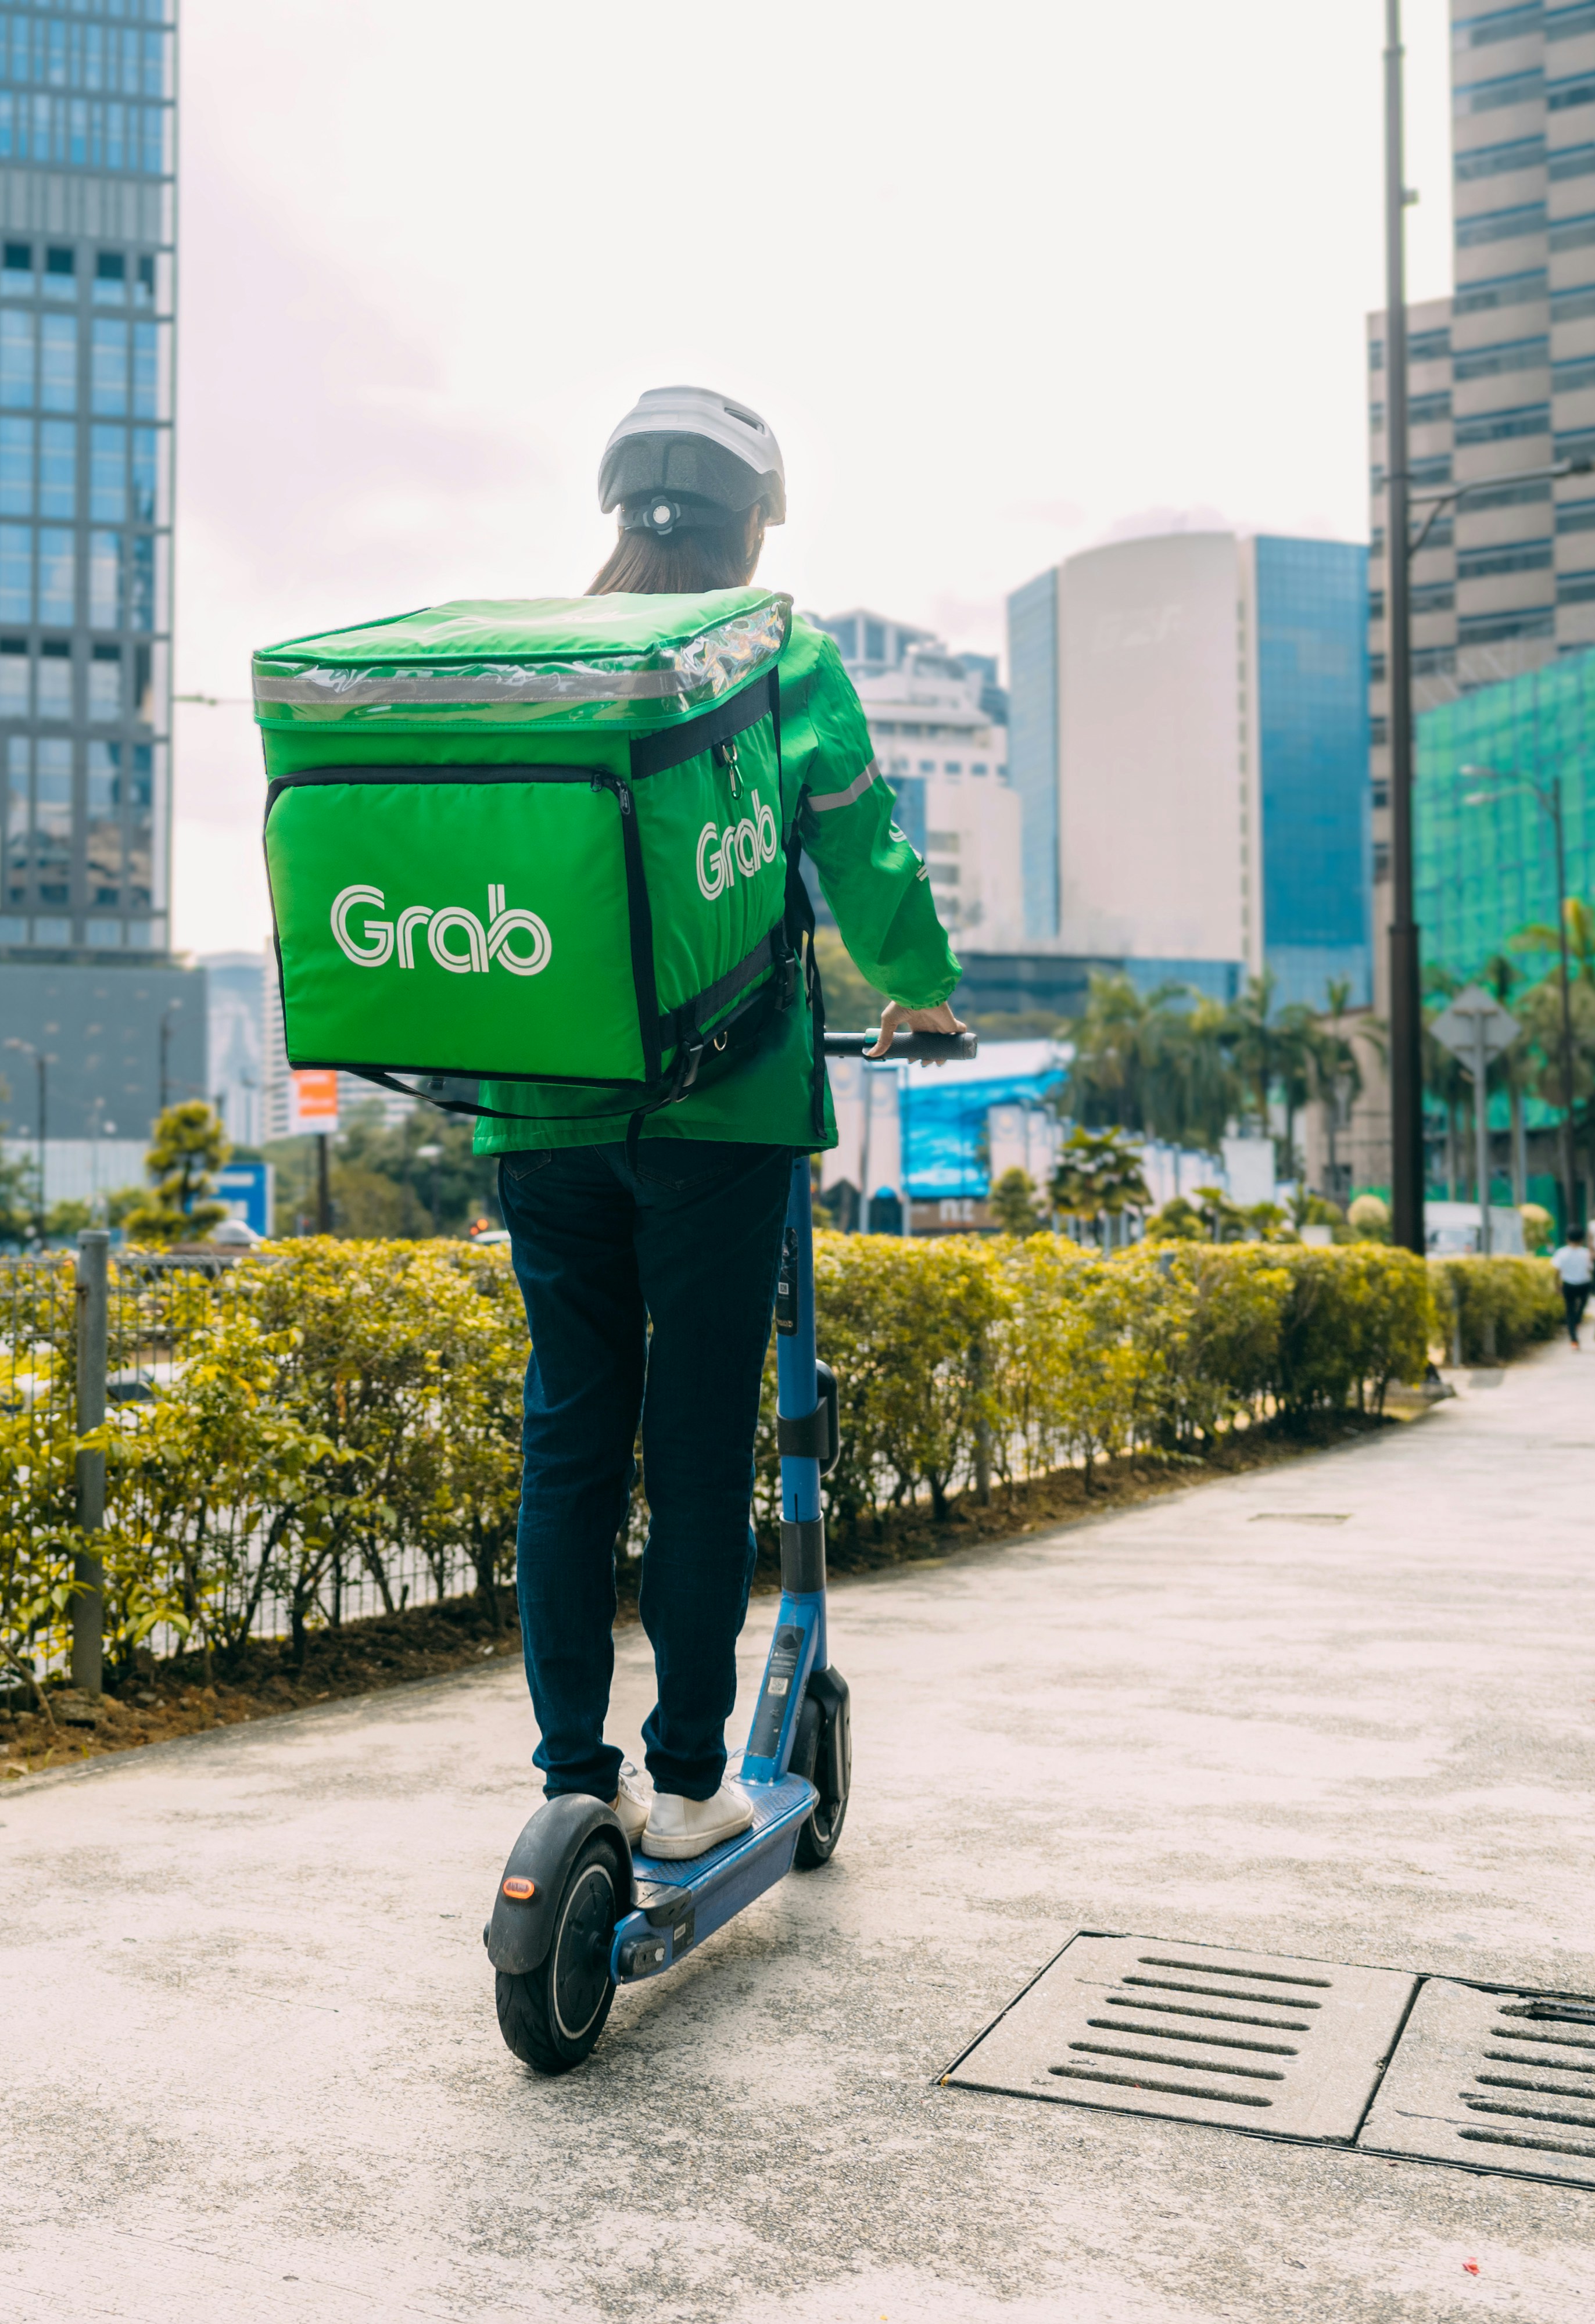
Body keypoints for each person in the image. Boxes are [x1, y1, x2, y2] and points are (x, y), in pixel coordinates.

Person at [486, 385, 965, 1862]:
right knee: (695, 1439)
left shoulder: (547, 656)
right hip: (722, 1112)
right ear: (754, 519)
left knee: (571, 1431)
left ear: (620, 510)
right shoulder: (776, 653)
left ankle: (577, 1768)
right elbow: (865, 853)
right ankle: (691, 1780)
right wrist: (924, 992)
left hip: (541, 1109)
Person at [1553, 1225, 1595, 1345]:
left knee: (1570, 1311)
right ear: (1582, 1240)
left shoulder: (1561, 1253)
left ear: (1567, 1238)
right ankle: (1578, 1320)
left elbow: (1557, 1271)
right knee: (1582, 1306)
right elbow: (1590, 1269)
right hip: (1584, 1284)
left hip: (1568, 1285)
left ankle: (1574, 1340)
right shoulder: (1586, 1253)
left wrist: (1557, 1285)